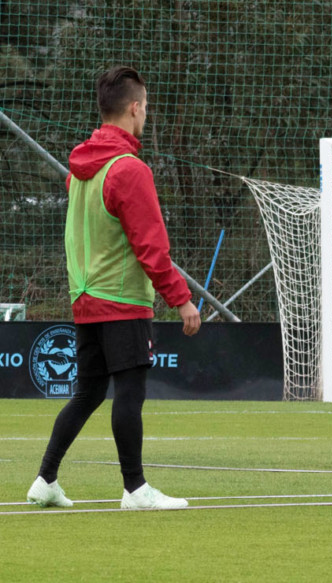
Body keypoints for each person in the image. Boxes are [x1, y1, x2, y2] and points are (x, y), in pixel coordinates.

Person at [26, 66, 201, 511]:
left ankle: (45, 480)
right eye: (146, 108)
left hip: (85, 300)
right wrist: (180, 299)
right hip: (122, 301)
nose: (147, 114)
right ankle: (135, 488)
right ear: (135, 107)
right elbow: (151, 246)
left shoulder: (79, 170)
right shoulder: (129, 169)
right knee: (129, 393)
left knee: (86, 393)